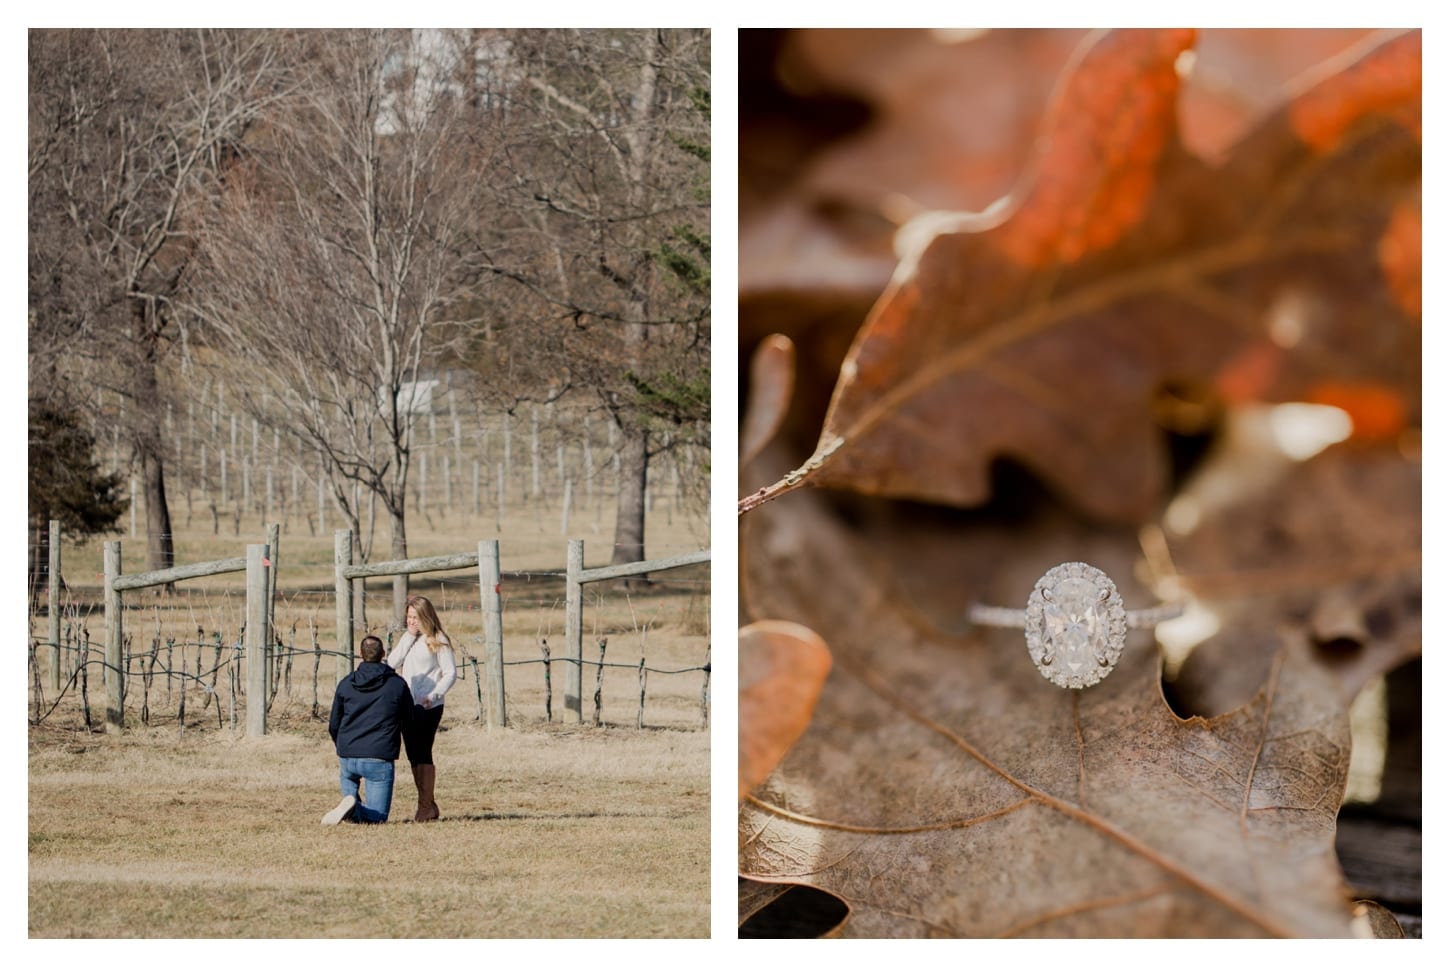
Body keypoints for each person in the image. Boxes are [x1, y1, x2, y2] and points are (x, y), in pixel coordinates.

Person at [323, 634, 413, 825]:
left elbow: (333, 723)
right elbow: (409, 719)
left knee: (359, 813)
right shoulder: (397, 685)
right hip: (378, 756)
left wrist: (342, 745)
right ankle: (353, 810)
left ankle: (350, 808)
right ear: (383, 654)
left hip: (347, 755)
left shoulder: (346, 684)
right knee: (378, 817)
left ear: (360, 654)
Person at [387, 594, 457, 822]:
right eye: (408, 617)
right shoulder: (410, 639)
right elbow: (391, 663)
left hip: (429, 705)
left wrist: (434, 694)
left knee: (423, 752)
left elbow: (450, 673)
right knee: (413, 755)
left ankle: (424, 805)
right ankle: (428, 804)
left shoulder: (439, 640)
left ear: (426, 616)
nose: (411, 621)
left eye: (415, 617)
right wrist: (408, 636)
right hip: (407, 705)